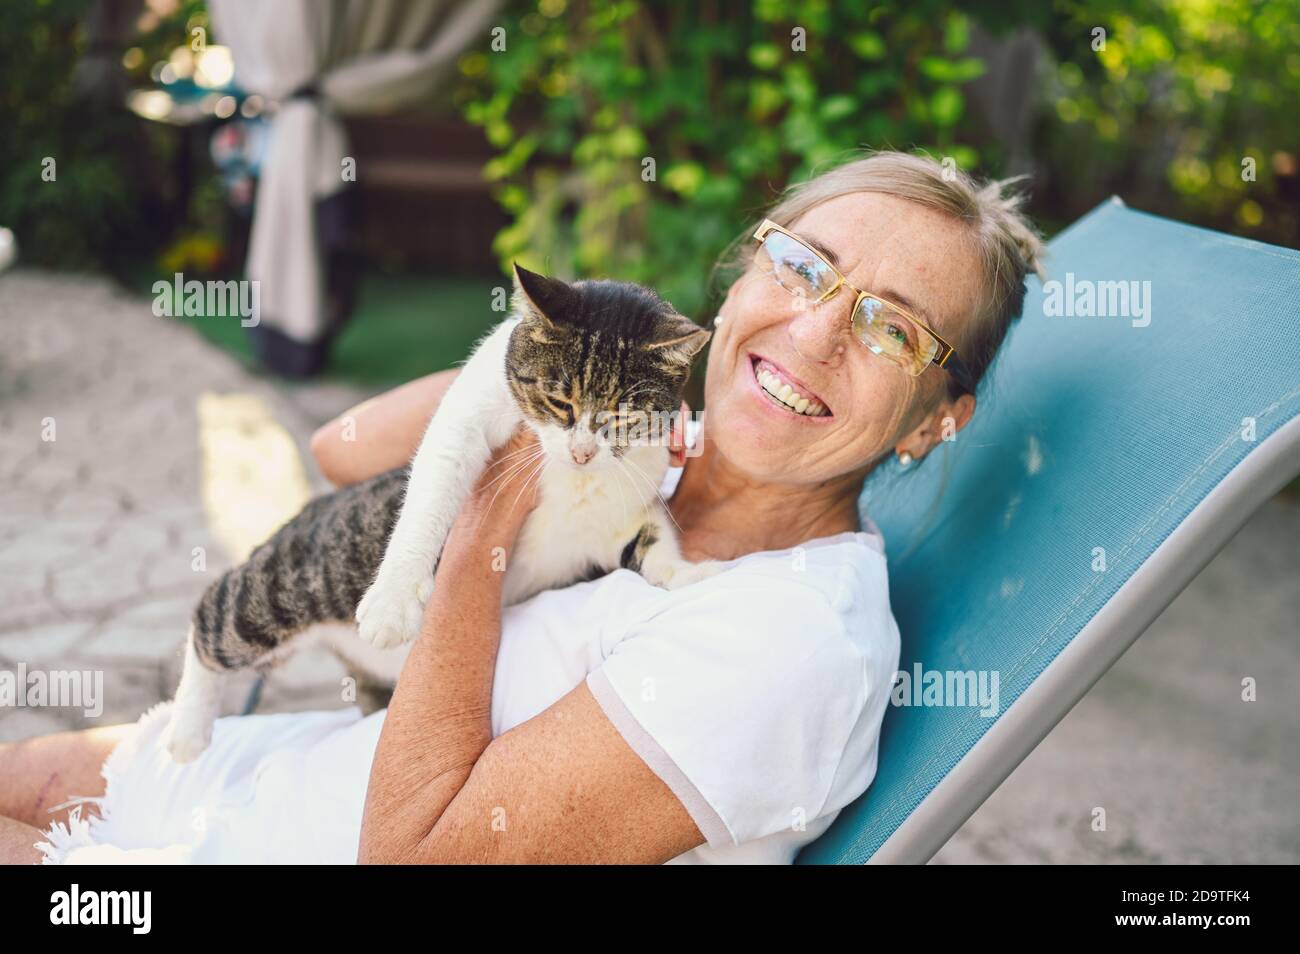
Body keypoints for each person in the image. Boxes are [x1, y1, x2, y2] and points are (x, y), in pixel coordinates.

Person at [0, 151, 1044, 864]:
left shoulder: (791, 640)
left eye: (892, 330)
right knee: (33, 773)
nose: (814, 333)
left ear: (929, 422)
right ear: (737, 286)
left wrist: (490, 520)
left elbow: (414, 861)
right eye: (802, 266)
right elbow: (345, 448)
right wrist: (549, 359)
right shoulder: (651, 460)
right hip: (265, 778)